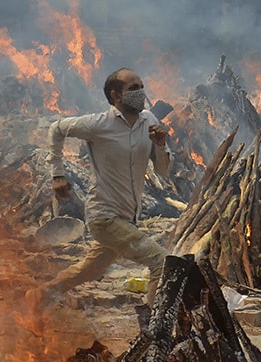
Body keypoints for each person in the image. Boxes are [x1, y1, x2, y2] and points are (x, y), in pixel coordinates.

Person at [28, 67, 172, 311]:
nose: (140, 93)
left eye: (141, 87)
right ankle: (156, 329)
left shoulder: (149, 120)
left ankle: (39, 296)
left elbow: (163, 171)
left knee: (90, 269)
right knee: (162, 262)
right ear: (116, 96)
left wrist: (160, 146)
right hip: (104, 217)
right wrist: (58, 174)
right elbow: (57, 129)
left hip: (127, 217)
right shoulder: (98, 124)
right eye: (133, 89)